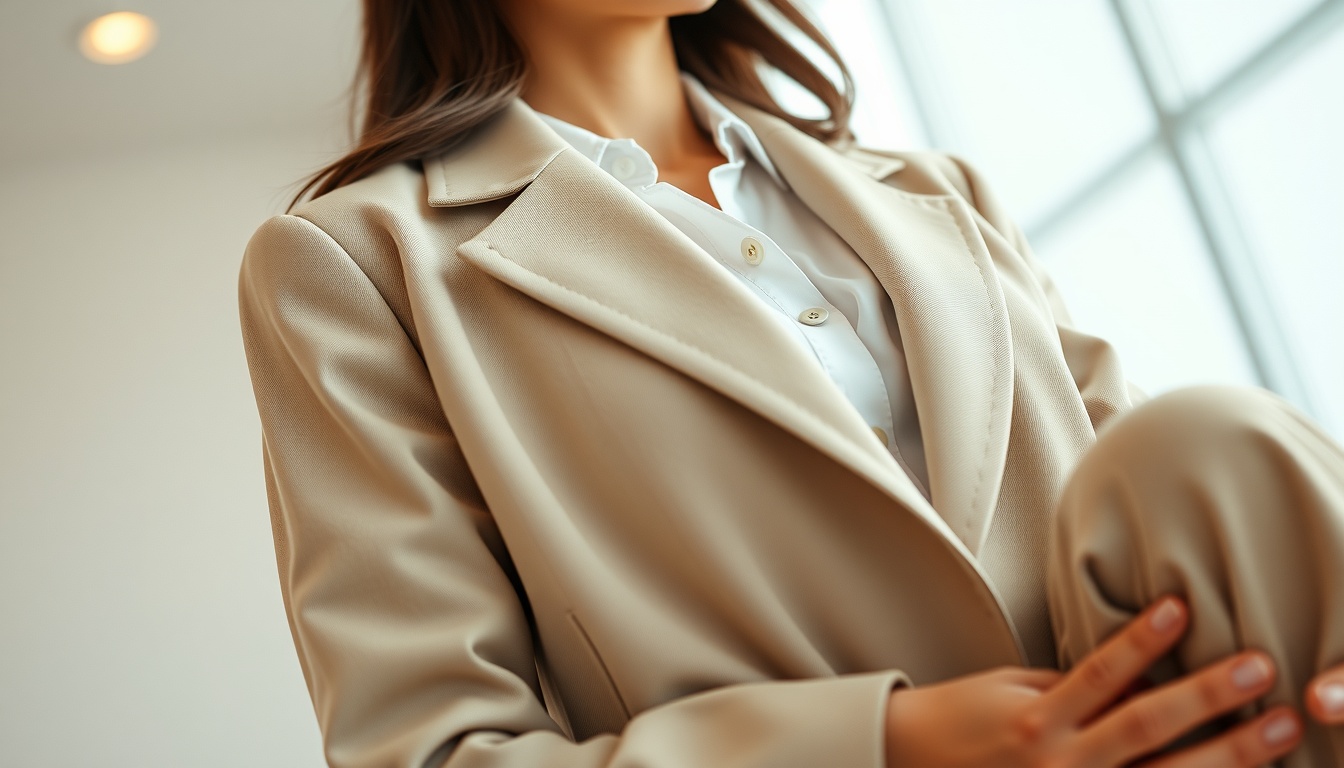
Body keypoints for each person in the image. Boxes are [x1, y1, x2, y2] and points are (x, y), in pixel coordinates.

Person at [235, 1, 1344, 766]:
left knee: (1213, 439)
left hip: (1197, 733)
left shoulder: (932, 190)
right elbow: (434, 747)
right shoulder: (355, 264)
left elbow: (1163, 493)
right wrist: (888, 747)